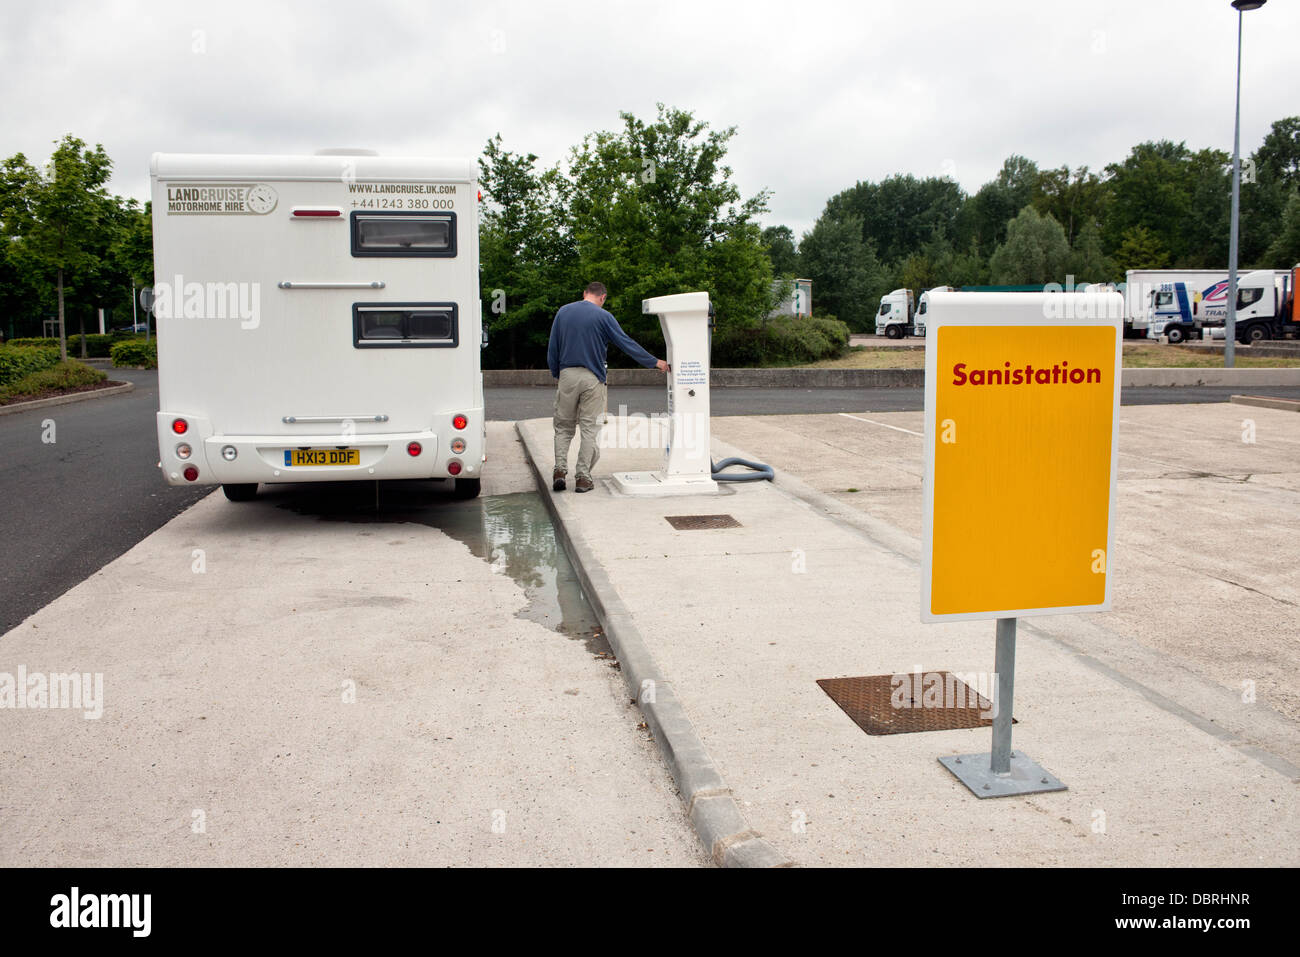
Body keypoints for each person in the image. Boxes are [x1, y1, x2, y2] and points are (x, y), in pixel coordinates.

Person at [547, 282, 668, 493]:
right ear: (602, 298)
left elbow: (553, 348)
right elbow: (626, 343)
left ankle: (559, 470)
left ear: (584, 293)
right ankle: (583, 478)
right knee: (589, 430)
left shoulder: (563, 312)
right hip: (592, 378)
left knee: (563, 427)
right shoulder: (604, 317)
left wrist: (558, 374)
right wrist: (655, 362)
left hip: (566, 375)